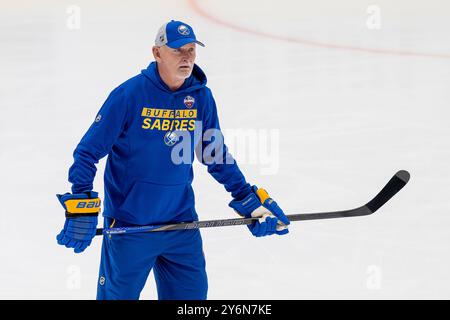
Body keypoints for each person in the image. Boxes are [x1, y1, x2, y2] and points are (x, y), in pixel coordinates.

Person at [56, 20, 290, 300]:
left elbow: (214, 154)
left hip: (182, 225)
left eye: (191, 50)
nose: (187, 57)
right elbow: (87, 152)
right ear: (157, 53)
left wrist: (249, 200)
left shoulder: (201, 97)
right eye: (178, 50)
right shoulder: (129, 95)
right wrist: (81, 202)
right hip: (130, 227)